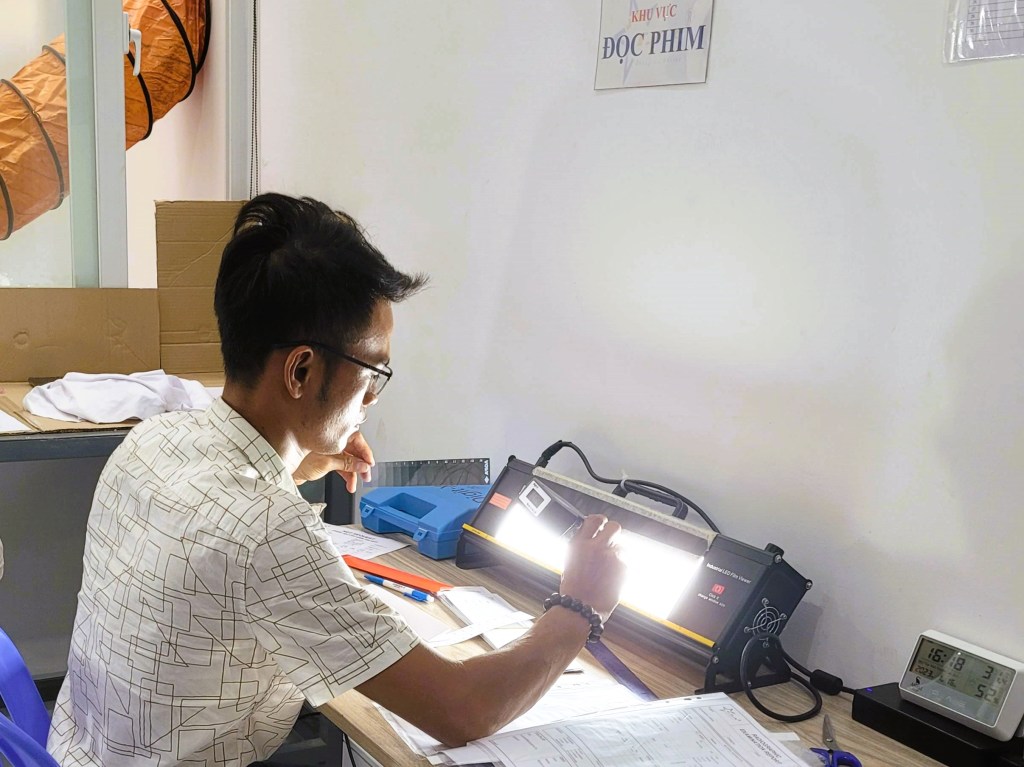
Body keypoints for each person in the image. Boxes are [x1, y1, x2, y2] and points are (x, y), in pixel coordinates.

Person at [47, 193, 626, 766]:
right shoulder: (267, 530)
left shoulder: (153, 439)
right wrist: (579, 606)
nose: (372, 399)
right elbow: (462, 709)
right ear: (301, 370)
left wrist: (300, 463)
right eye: (373, 373)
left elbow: (221, 532)